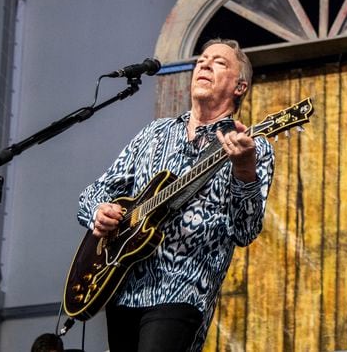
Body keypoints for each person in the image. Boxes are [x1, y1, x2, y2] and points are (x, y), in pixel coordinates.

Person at [77, 38, 275, 352]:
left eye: (220, 62)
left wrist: (244, 170)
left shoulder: (254, 148)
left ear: (240, 87)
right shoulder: (155, 133)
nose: (205, 64)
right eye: (202, 59)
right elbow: (94, 193)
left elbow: (245, 229)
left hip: (183, 289)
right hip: (122, 285)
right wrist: (99, 211)